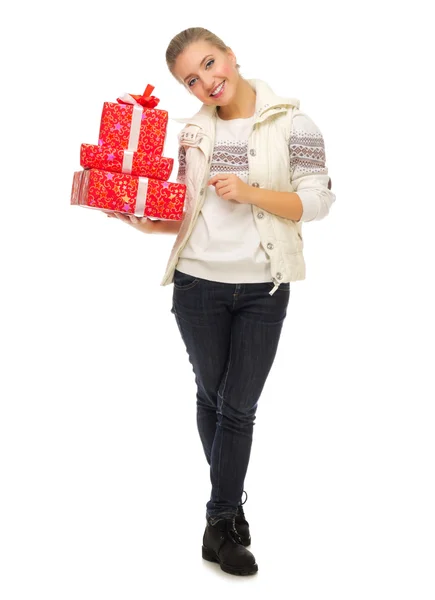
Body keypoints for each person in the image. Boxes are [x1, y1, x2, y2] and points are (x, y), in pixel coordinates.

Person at [108, 27, 336, 576]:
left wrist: (250, 190)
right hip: (197, 285)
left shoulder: (292, 122)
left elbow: (318, 200)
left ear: (231, 56)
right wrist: (151, 225)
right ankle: (226, 519)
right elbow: (192, 212)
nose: (207, 80)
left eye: (211, 63)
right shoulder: (191, 134)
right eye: (192, 78)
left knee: (238, 405)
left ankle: (222, 521)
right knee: (212, 396)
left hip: (264, 286)